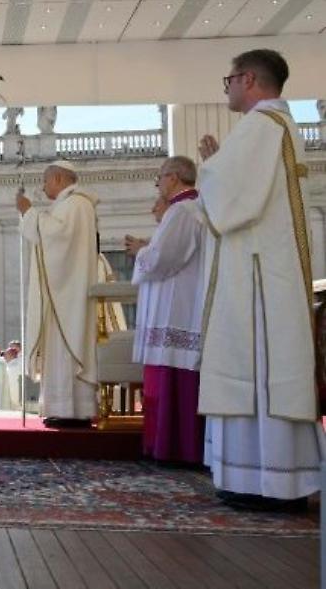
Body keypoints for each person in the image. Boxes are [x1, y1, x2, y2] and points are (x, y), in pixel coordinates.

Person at [197, 49, 324, 511]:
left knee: (253, 368)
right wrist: (219, 165)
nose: (227, 87)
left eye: (228, 79)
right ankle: (276, 478)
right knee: (271, 371)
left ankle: (262, 483)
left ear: (248, 79)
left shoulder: (259, 126)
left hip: (255, 280)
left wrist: (209, 171)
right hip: (271, 271)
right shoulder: (284, 127)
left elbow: (227, 205)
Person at [126, 156, 206, 465]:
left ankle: (175, 448)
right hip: (175, 306)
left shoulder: (183, 211)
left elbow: (163, 259)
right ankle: (162, 445)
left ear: (173, 178)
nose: (158, 184)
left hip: (176, 310)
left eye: (159, 178)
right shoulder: (186, 210)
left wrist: (141, 251)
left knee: (175, 379)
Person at [17, 160, 100, 427]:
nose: (43, 187)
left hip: (67, 294)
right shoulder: (69, 205)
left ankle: (71, 411)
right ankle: (61, 408)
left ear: (60, 178)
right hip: (61, 293)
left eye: (45, 181)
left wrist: (29, 212)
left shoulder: (76, 204)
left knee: (65, 347)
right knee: (58, 349)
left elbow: (57, 236)